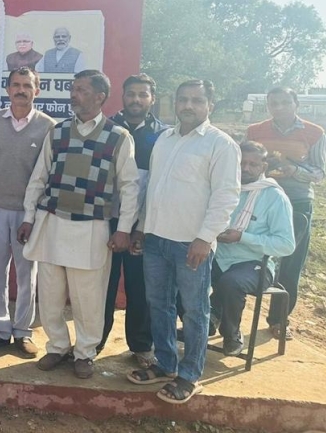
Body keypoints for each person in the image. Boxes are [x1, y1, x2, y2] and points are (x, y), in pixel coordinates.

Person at [18, 70, 139, 379]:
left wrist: (124, 229)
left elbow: (129, 187)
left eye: (82, 90)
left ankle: (85, 353)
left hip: (92, 227)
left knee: (88, 298)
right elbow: (39, 177)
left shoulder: (118, 136)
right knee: (50, 294)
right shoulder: (58, 132)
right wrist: (29, 217)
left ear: (100, 96)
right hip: (52, 224)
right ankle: (57, 347)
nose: (74, 95)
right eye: (73, 89)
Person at [128, 79, 240, 405]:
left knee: (194, 310)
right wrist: (141, 228)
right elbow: (154, 188)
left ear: (210, 105)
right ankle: (166, 364)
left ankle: (190, 374)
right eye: (183, 100)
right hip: (156, 239)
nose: (188, 106)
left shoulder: (221, 144)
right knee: (158, 305)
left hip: (191, 244)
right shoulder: (165, 139)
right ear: (174, 103)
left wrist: (205, 238)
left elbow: (226, 196)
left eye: (196, 100)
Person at [0, 67, 55, 358]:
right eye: (16, 85)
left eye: (27, 85)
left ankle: (22, 331)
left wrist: (33, 214)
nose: (21, 90)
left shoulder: (48, 126)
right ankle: (0, 329)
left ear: (37, 90)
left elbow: (48, 173)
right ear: (8, 89)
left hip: (27, 213)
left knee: (26, 274)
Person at [98, 73, 169, 368]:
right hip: (107, 221)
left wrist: (141, 227)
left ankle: (141, 345)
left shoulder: (164, 136)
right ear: (122, 96)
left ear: (152, 99)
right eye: (131, 94)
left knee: (140, 287)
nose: (136, 100)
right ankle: (93, 342)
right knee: (103, 285)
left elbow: (159, 185)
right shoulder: (107, 128)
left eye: (143, 94)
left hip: (143, 226)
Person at [245, 87, 326, 340]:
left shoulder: (314, 133)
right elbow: (245, 162)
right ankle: (227, 313)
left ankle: (279, 319)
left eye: (284, 102)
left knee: (290, 260)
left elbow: (319, 173)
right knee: (246, 252)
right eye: (273, 103)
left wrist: (295, 171)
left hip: (298, 201)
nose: (279, 107)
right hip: (261, 199)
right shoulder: (255, 131)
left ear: (296, 104)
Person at [212, 141, 295, 356]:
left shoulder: (274, 197)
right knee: (183, 266)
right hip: (218, 255)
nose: (246, 169)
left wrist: (242, 237)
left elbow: (286, 244)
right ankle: (206, 319)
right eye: (241, 163)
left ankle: (231, 333)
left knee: (231, 282)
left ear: (263, 166)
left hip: (255, 263)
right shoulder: (223, 188)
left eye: (253, 164)